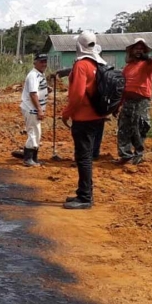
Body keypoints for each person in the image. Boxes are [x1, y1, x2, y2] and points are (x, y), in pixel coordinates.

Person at [61, 31, 107, 210]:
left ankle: (85, 197)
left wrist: (66, 113)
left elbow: (78, 94)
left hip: (83, 118)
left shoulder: (81, 65)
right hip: (98, 116)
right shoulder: (98, 63)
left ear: (79, 46)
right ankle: (83, 192)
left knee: (84, 157)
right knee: (87, 156)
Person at [113, 38, 152, 165]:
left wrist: (146, 57)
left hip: (141, 100)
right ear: (131, 51)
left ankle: (139, 153)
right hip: (128, 100)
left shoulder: (147, 64)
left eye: (141, 48)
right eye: (136, 48)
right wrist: (117, 105)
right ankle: (125, 154)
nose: (139, 50)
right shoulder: (127, 68)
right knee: (123, 126)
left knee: (138, 126)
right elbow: (123, 88)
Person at [15, 53, 51, 166]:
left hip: (34, 109)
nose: (44, 64)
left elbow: (37, 90)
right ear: (35, 63)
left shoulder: (40, 74)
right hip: (31, 109)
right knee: (34, 133)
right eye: (41, 61)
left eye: (45, 61)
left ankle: (33, 157)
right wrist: (39, 109)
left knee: (37, 133)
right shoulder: (33, 75)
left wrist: (46, 89)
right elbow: (33, 94)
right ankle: (28, 158)